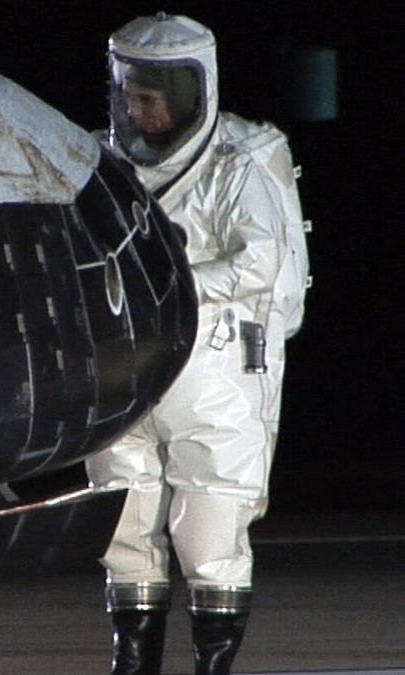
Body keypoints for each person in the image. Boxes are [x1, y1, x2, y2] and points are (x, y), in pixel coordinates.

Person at [85, 13, 309, 675]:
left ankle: (211, 665)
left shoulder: (235, 165)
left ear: (190, 94)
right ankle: (134, 663)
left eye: (151, 98)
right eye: (129, 93)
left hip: (214, 377)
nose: (136, 109)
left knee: (209, 536)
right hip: (126, 376)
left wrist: (167, 285)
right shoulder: (103, 163)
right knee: (124, 530)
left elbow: (260, 263)